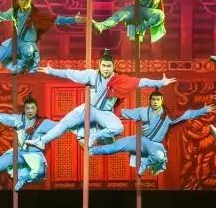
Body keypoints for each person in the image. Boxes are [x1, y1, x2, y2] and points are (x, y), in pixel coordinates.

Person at [26, 49, 175, 150]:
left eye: (109, 66)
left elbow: (142, 82)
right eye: (103, 65)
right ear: (99, 65)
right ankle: (42, 141)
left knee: (118, 128)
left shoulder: (120, 80)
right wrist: (51, 71)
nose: (106, 69)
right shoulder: (92, 74)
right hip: (89, 108)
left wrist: (160, 83)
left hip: (105, 113)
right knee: (64, 123)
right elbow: (70, 74)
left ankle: (94, 136)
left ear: (113, 67)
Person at [89, 89, 213, 175]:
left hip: (154, 144)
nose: (155, 102)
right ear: (150, 100)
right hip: (139, 141)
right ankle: (92, 151)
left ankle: (144, 164)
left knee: (159, 156)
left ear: (161, 100)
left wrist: (203, 110)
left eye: (158, 100)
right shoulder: (142, 111)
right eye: (153, 99)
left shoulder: (169, 115)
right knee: (115, 146)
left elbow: (187, 114)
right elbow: (124, 113)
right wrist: (106, 109)